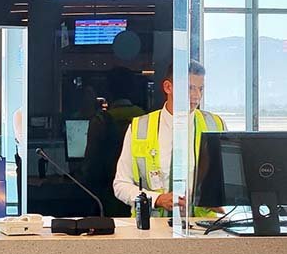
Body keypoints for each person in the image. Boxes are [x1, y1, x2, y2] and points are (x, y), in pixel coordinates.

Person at [113, 60, 226, 216]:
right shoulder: (139, 127)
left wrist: (221, 200)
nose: (197, 96)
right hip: (152, 226)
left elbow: (229, 183)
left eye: (201, 89)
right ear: (168, 87)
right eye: (190, 88)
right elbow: (121, 185)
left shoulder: (215, 124)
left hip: (202, 226)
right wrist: (157, 199)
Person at [81, 67, 146, 216]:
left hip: (106, 193)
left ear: (108, 91)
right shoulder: (144, 118)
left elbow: (90, 164)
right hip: (139, 191)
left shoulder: (101, 121)